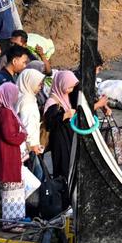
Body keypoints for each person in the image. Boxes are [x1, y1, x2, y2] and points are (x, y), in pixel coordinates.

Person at [0, 82, 28, 231]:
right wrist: (22, 136)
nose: (16, 97)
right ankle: (11, 223)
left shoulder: (0, 111)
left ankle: (13, 222)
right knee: (12, 192)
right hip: (8, 158)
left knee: (11, 191)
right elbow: (9, 136)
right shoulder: (6, 112)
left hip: (4, 157)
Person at [42, 70, 78, 202]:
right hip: (59, 141)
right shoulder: (53, 102)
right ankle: (62, 199)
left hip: (67, 138)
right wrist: (65, 115)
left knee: (68, 167)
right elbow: (50, 123)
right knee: (62, 168)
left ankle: (68, 197)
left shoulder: (64, 97)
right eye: (69, 87)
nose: (70, 90)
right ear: (61, 84)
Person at [16, 67, 45, 165]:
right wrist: (32, 145)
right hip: (30, 148)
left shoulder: (25, 97)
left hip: (28, 147)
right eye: (39, 84)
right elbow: (27, 125)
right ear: (30, 82)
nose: (41, 87)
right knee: (35, 172)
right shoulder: (27, 102)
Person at [0, 44, 30, 110]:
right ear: (14, 61)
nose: (25, 66)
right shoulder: (1, 80)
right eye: (24, 62)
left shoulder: (11, 77)